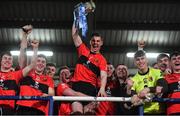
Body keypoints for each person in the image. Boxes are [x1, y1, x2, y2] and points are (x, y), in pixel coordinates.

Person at [16, 25, 55, 115]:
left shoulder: (48, 79)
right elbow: (22, 55)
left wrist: (48, 95)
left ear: (45, 65)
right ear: (34, 62)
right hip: (23, 109)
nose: (41, 63)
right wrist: (25, 36)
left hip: (39, 110)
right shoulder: (27, 73)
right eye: (38, 61)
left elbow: (51, 93)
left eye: (43, 62)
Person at [71, 23, 107, 114]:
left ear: (101, 43)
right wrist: (77, 17)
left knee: (88, 114)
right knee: (77, 113)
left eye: (98, 41)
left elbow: (103, 75)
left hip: (90, 89)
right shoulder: (83, 50)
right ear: (90, 42)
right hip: (77, 87)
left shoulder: (102, 59)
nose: (95, 43)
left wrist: (102, 88)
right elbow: (74, 35)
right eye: (93, 41)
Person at [0, 44, 37, 115]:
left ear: (12, 63)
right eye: (5, 58)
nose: (7, 60)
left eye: (10, 59)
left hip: (8, 110)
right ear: (1, 61)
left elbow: (32, 65)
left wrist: (35, 48)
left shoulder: (16, 74)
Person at [129, 50, 167, 114]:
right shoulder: (133, 79)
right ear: (135, 63)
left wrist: (148, 89)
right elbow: (133, 95)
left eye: (142, 58)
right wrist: (134, 96)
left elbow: (164, 88)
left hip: (159, 112)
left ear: (147, 60)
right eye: (137, 60)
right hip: (143, 112)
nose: (140, 61)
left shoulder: (157, 72)